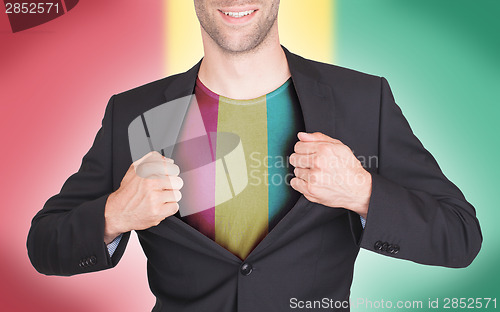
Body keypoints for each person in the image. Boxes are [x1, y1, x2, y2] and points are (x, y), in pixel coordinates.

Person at [27, 1, 482, 311]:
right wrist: (114, 214)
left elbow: (460, 236)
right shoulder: (134, 112)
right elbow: (44, 245)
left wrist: (363, 192)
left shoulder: (363, 100)